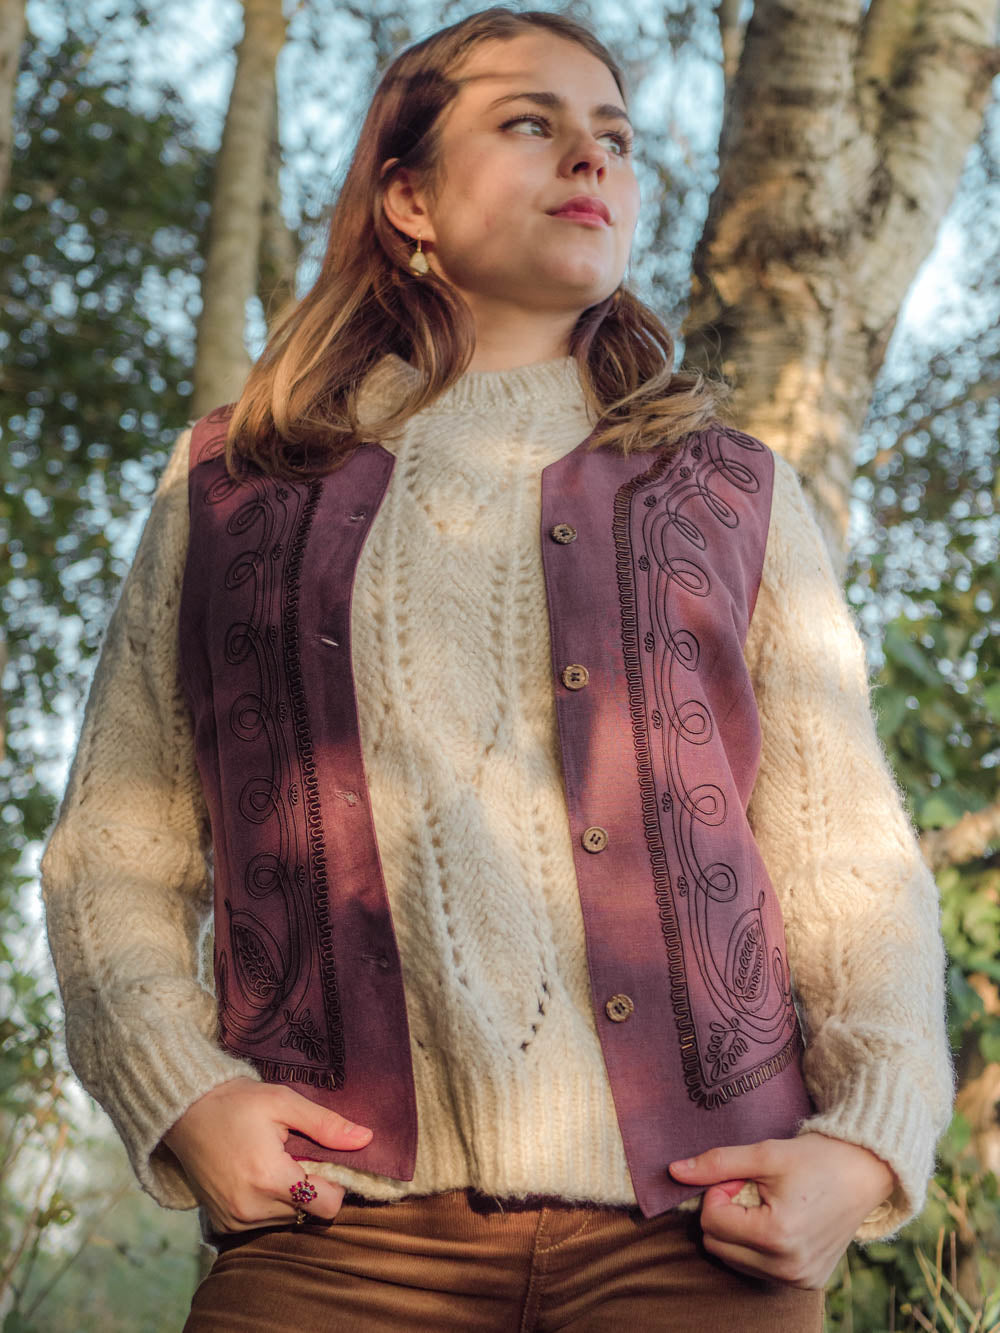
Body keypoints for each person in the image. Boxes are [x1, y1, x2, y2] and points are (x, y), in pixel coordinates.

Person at [41, 8, 954, 1331]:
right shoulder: (235, 486)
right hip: (333, 1240)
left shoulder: (732, 491)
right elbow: (117, 847)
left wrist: (868, 1143)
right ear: (408, 199)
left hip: (700, 1238)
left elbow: (846, 861)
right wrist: (180, 1090)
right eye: (532, 123)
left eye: (616, 138)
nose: (592, 158)